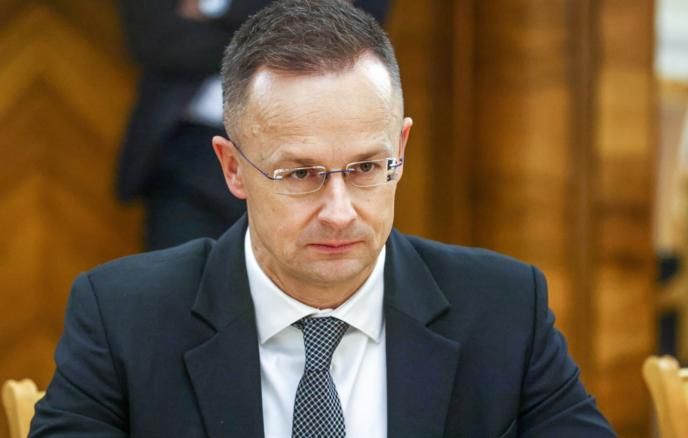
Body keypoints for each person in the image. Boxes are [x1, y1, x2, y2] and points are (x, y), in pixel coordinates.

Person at [31, 1, 616, 436]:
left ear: (401, 150)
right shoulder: (123, 318)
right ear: (233, 169)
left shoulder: (504, 309)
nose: (339, 213)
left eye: (365, 168)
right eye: (300, 174)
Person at [116, 0, 389, 249]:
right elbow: (154, 37)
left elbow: (345, 39)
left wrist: (213, 10)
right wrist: (278, 31)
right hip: (187, 153)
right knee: (184, 279)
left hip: (303, 155)